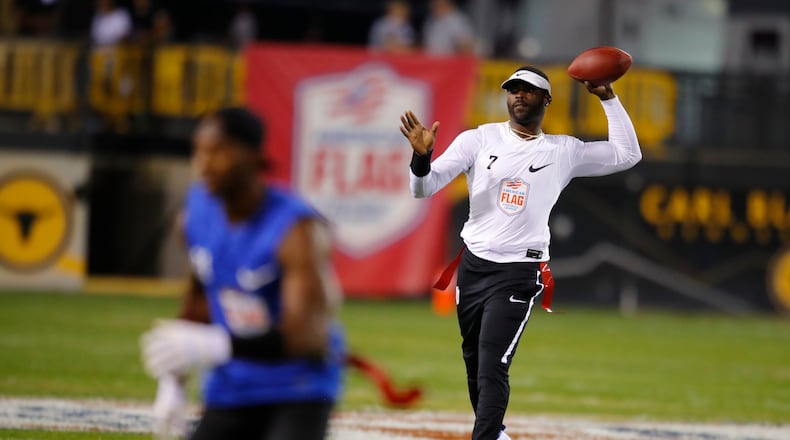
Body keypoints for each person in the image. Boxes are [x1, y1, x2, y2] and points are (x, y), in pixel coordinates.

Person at [399, 68, 641, 440]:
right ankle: (496, 434)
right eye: (513, 89)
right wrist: (421, 158)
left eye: (529, 90)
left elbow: (628, 154)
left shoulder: (562, 151)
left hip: (519, 271)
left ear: (546, 99)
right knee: (475, 361)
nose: (519, 96)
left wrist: (608, 98)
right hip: (474, 267)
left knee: (493, 361)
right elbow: (423, 189)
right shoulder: (477, 140)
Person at [141, 107, 346, 440]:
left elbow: (309, 338)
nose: (204, 164)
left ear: (253, 157)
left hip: (298, 388)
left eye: (218, 151)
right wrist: (173, 383)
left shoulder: (295, 228)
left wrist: (219, 345)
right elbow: (199, 298)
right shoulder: (195, 214)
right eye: (199, 151)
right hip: (233, 387)